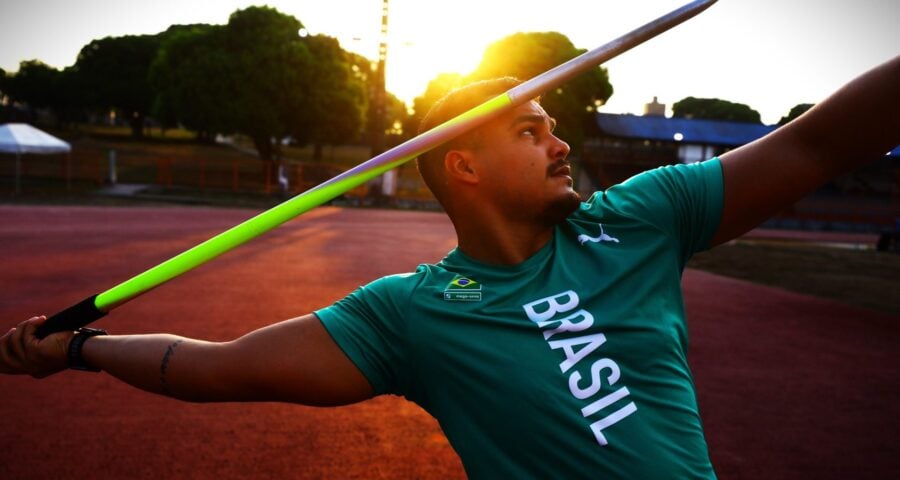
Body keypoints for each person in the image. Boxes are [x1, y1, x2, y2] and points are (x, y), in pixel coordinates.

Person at [2, 56, 898, 478]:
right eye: (530, 129)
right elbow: (215, 366)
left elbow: (818, 144)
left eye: (553, 124)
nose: (561, 140)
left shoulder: (640, 219)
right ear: (462, 168)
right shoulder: (408, 316)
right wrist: (77, 351)